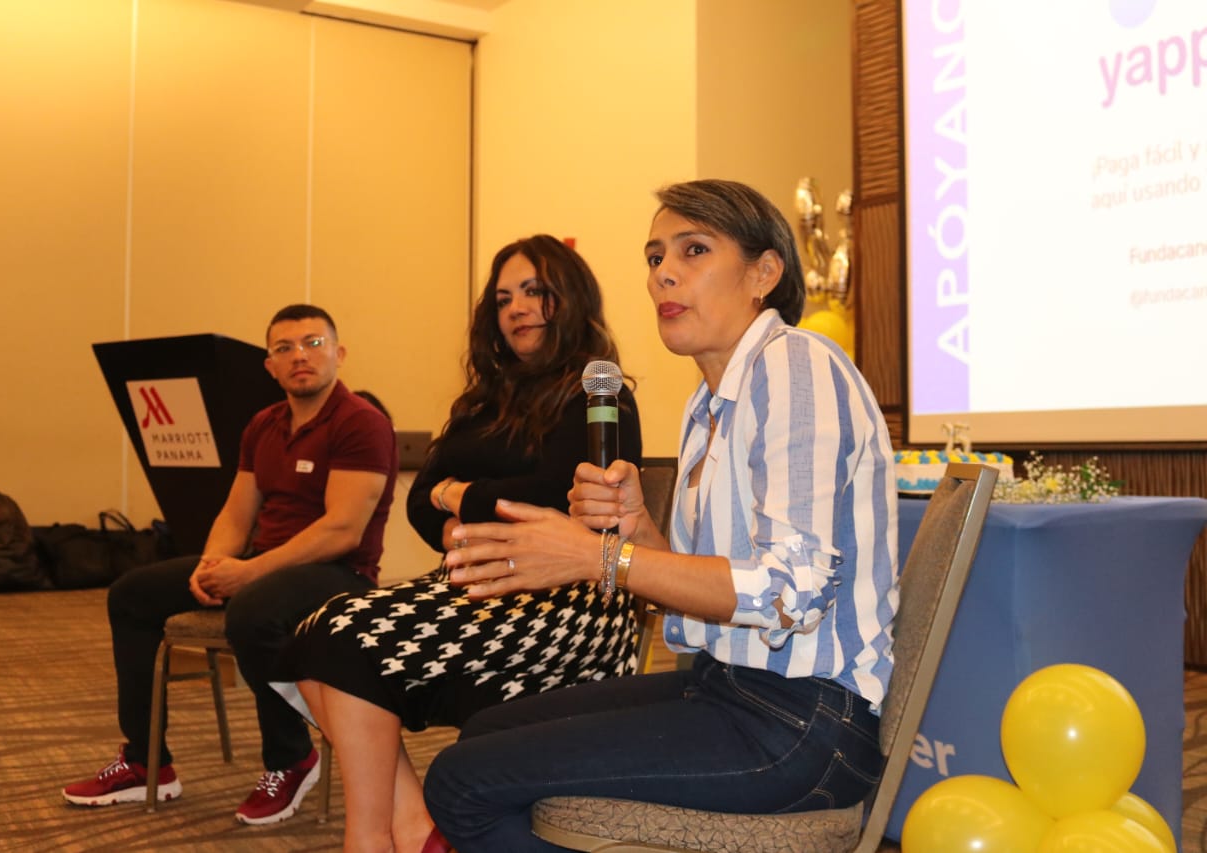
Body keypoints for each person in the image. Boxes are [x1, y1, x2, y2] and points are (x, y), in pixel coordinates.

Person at [422, 180, 899, 852]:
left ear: (764, 272)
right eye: (654, 257)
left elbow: (791, 592)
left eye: (693, 250)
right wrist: (638, 531)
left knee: (461, 780)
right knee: (484, 733)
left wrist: (597, 557)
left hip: (802, 722)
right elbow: (710, 595)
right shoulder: (707, 404)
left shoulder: (798, 365)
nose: (662, 274)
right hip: (726, 684)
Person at [270, 234, 642, 853]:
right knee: (312, 637)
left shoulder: (599, 393)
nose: (516, 308)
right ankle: (414, 827)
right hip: (476, 582)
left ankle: (371, 837)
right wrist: (457, 508)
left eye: (533, 292)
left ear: (569, 297)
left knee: (344, 639)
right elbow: (420, 499)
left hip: (570, 601)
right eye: (503, 299)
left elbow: (559, 493)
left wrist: (459, 495)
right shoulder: (485, 398)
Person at [63, 303, 398, 826]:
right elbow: (237, 513)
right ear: (270, 366)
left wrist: (247, 574)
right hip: (267, 567)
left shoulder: (361, 423)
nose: (300, 356)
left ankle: (292, 758)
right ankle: (146, 761)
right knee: (131, 594)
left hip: (340, 574)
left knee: (253, 611)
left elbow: (341, 531)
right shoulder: (264, 424)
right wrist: (213, 565)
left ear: (339, 353)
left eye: (313, 343)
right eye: (284, 348)